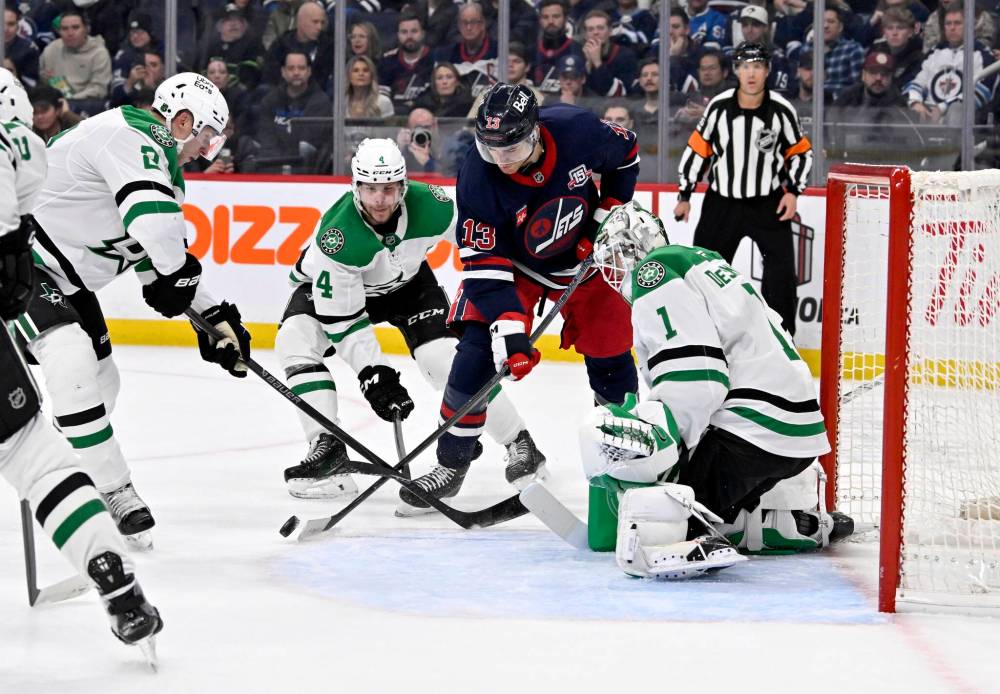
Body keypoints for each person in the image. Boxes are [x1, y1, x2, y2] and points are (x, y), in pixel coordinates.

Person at [18, 73, 252, 550]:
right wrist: (177, 279)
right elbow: (158, 235)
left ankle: (62, 468)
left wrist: (216, 319)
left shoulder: (164, 172)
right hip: (20, 263)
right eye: (206, 137)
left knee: (103, 382)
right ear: (182, 122)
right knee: (71, 358)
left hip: (66, 282)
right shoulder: (128, 134)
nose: (205, 151)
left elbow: (153, 259)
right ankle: (113, 489)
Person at [400, 83, 641, 512]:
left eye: (510, 147)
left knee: (611, 354)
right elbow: (484, 265)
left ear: (534, 132)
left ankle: (623, 457)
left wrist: (600, 222)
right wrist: (510, 334)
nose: (501, 159)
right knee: (475, 352)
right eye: (490, 147)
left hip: (585, 261)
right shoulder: (477, 175)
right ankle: (452, 463)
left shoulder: (577, 130)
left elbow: (626, 155)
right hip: (515, 267)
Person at [578, 202, 851, 577]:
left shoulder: (654, 273)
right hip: (798, 432)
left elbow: (697, 380)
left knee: (665, 511)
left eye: (616, 257)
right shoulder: (703, 261)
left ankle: (700, 530)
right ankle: (788, 523)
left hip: (752, 432)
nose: (616, 270)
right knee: (712, 502)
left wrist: (667, 446)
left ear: (635, 248)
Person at [0, 68, 163, 655]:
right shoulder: (27, 147)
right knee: (35, 453)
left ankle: (111, 510)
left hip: (61, 281)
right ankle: (109, 560)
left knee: (92, 382)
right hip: (37, 277)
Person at [274, 138, 533, 500]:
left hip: (410, 285)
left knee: (444, 360)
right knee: (295, 338)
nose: (380, 199)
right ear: (356, 187)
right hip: (337, 288)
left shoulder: (433, 205)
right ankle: (327, 447)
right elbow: (344, 322)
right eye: (370, 189)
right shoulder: (338, 238)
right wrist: (374, 374)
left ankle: (519, 443)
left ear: (403, 186)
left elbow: (482, 239)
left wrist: (528, 266)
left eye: (389, 189)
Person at [674, 42, 811, 337]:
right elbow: (698, 149)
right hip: (722, 202)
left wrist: (793, 191)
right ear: (736, 70)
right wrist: (685, 194)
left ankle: (783, 339)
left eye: (757, 66)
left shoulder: (781, 110)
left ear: (767, 70)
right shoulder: (719, 107)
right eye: (745, 66)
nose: (751, 73)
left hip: (768, 203)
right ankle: (702, 336)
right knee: (703, 270)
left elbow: (801, 153)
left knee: (782, 275)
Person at [905, 5, 996, 125]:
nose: (952, 28)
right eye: (948, 24)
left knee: (957, 109)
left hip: (962, 121)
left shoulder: (982, 54)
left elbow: (984, 91)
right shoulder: (934, 52)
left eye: (957, 23)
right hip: (928, 115)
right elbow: (915, 81)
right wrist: (915, 102)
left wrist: (943, 107)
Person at [257, 51, 332, 170]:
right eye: (291, 68)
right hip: (273, 167)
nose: (296, 73)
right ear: (283, 72)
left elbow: (309, 144)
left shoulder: (321, 102)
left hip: (307, 169)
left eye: (301, 68)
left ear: (309, 71)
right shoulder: (269, 101)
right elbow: (267, 140)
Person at [38, 9, 112, 113]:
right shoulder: (51, 49)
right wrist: (45, 78)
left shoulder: (99, 53)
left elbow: (99, 89)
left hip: (87, 105)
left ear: (86, 29)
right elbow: (43, 79)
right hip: (55, 104)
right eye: (65, 29)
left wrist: (69, 101)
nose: (70, 33)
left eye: (75, 27)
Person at [263, 2, 334, 90]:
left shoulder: (329, 47)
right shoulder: (281, 45)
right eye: (315, 22)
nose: (319, 27)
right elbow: (270, 76)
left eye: (322, 23)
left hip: (318, 95)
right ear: (300, 21)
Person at [799, 5, 864, 99]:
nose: (825, 26)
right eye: (821, 21)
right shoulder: (806, 49)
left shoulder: (853, 50)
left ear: (840, 27)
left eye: (831, 22)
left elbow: (858, 88)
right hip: (810, 103)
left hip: (841, 104)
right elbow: (801, 82)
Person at [378, 11, 434, 115]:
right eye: (404, 32)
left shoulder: (435, 59)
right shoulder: (387, 61)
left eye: (414, 31)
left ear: (422, 33)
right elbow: (382, 99)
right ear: (398, 35)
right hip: (393, 118)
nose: (409, 36)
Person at [437, 2, 497, 98]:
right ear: (459, 25)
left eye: (473, 22)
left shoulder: (497, 52)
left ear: (483, 24)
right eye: (464, 23)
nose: (469, 28)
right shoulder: (447, 55)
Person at [580, 10, 637, 98]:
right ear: (585, 35)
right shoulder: (579, 55)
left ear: (610, 31)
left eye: (600, 28)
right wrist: (588, 65)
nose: (595, 32)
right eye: (590, 29)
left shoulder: (625, 55)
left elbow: (619, 93)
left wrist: (597, 62)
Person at [869, 7, 924, 87]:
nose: (894, 33)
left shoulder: (918, 58)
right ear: (884, 32)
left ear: (910, 32)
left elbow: (905, 87)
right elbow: (863, 79)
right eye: (890, 28)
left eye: (900, 28)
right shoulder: (876, 49)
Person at [346, 55, 394, 119]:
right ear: (349, 76)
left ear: (371, 76)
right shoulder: (342, 103)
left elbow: (390, 125)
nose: (361, 74)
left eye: (365, 70)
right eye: (355, 70)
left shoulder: (383, 101)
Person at [4, 3, 39, 88]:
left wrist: (13, 73)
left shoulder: (29, 49)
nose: (5, 29)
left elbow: (32, 86)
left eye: (11, 24)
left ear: (18, 26)